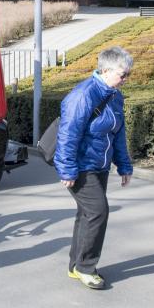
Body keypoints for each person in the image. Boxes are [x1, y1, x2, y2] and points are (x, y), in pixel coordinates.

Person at [54, 46, 134, 290]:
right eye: (123, 74)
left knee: (87, 214)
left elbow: (118, 134)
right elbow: (68, 134)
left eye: (128, 74)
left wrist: (124, 165)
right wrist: (67, 170)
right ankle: (86, 268)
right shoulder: (83, 95)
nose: (126, 79)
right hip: (81, 167)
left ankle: (75, 266)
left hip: (100, 166)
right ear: (106, 70)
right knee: (98, 212)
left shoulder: (114, 95)